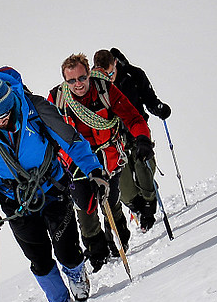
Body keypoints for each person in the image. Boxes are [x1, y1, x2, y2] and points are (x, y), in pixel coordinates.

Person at [0, 67, 107, 302]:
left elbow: (71, 140)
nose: (0, 121)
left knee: (67, 249)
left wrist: (94, 171)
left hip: (52, 188)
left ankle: (77, 278)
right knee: (38, 257)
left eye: (4, 114)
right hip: (13, 199)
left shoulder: (35, 108)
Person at [51, 52, 158, 242]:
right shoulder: (57, 99)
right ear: (65, 81)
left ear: (89, 73)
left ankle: (118, 241)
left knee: (111, 200)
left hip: (108, 156)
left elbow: (132, 118)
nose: (78, 84)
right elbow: (48, 131)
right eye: (72, 80)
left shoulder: (105, 90)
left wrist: (142, 138)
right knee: (85, 206)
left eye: (82, 78)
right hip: (76, 160)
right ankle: (96, 250)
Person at [97, 48, 171, 122]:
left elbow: (149, 99)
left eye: (111, 73)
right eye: (104, 75)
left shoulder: (134, 75)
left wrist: (158, 108)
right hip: (109, 126)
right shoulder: (94, 82)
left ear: (115, 62)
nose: (109, 78)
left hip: (137, 124)